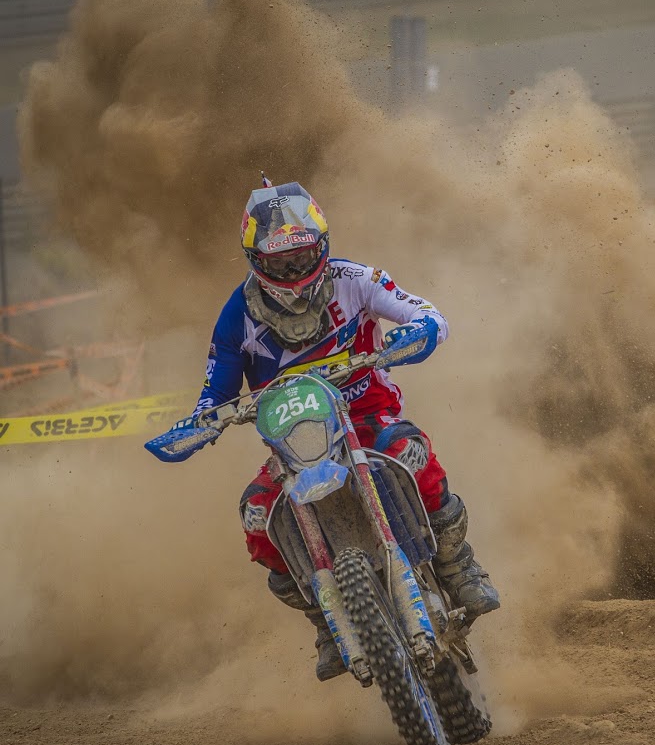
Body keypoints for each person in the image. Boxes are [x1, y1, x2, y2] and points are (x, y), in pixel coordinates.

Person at [151, 179, 499, 681]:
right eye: (280, 264)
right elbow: (216, 393)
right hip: (294, 444)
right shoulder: (237, 318)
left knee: (412, 452)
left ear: (322, 245)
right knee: (255, 515)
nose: (293, 273)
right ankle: (324, 617)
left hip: (367, 418)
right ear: (255, 260)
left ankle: (457, 563)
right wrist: (200, 423)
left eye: (302, 258)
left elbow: (426, 312)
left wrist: (418, 330)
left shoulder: (355, 279)